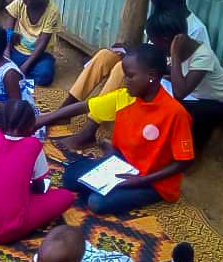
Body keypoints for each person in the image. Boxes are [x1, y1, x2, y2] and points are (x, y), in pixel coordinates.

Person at [36, 45, 194, 214]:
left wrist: (140, 180)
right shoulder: (125, 97)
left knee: (96, 202)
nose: (125, 81)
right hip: (123, 162)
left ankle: (107, 176)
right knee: (69, 177)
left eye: (130, 76)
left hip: (153, 181)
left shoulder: (175, 113)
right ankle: (105, 166)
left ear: (152, 76)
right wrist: (42, 120)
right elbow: (86, 106)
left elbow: (184, 162)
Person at [62, 0, 210, 108]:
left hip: (164, 79)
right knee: (105, 56)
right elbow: (152, 49)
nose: (156, 9)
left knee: (121, 69)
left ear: (178, 3)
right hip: (148, 65)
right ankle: (67, 106)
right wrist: (134, 53)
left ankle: (96, 117)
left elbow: (185, 73)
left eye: (160, 5)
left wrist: (139, 61)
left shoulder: (196, 29)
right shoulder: (161, 18)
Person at [0, 101, 73, 244]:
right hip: (6, 229)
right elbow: (39, 187)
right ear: (31, 125)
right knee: (65, 196)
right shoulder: (33, 145)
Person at [146, 10, 223, 146]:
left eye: (154, 43)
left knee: (175, 110)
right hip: (199, 97)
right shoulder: (181, 49)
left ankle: (187, 149)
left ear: (166, 41)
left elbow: (180, 93)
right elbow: (168, 70)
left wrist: (175, 55)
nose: (154, 46)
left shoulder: (203, 55)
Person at [4, 0, 61, 86]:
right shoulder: (19, 4)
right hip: (18, 50)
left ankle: (22, 70)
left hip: (40, 54)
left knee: (44, 76)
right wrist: (6, 52)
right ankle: (21, 70)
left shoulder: (52, 12)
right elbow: (8, 31)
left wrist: (24, 68)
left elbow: (42, 44)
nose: (28, 3)